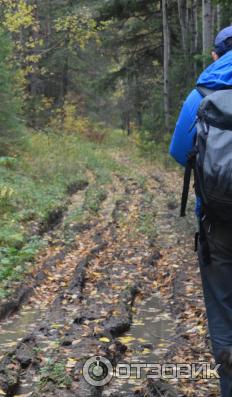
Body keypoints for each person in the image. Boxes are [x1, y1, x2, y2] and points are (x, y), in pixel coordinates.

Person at [170, 26, 232, 397]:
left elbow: (180, 152)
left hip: (216, 222)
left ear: (215, 55)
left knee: (224, 313)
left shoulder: (202, 92)